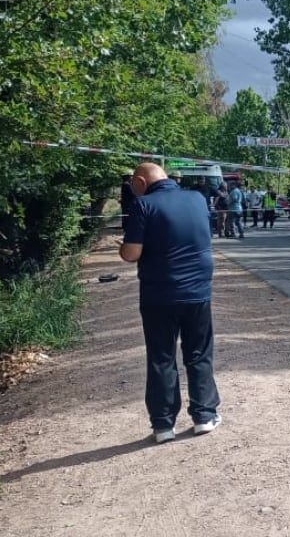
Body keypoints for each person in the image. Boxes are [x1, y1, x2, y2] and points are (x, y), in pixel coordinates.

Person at [118, 163, 221, 443]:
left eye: (132, 184)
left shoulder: (143, 206)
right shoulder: (197, 199)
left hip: (158, 295)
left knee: (161, 357)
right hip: (198, 291)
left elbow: (131, 254)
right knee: (199, 353)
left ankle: (163, 426)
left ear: (141, 181)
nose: (131, 188)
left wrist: (123, 245)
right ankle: (204, 416)